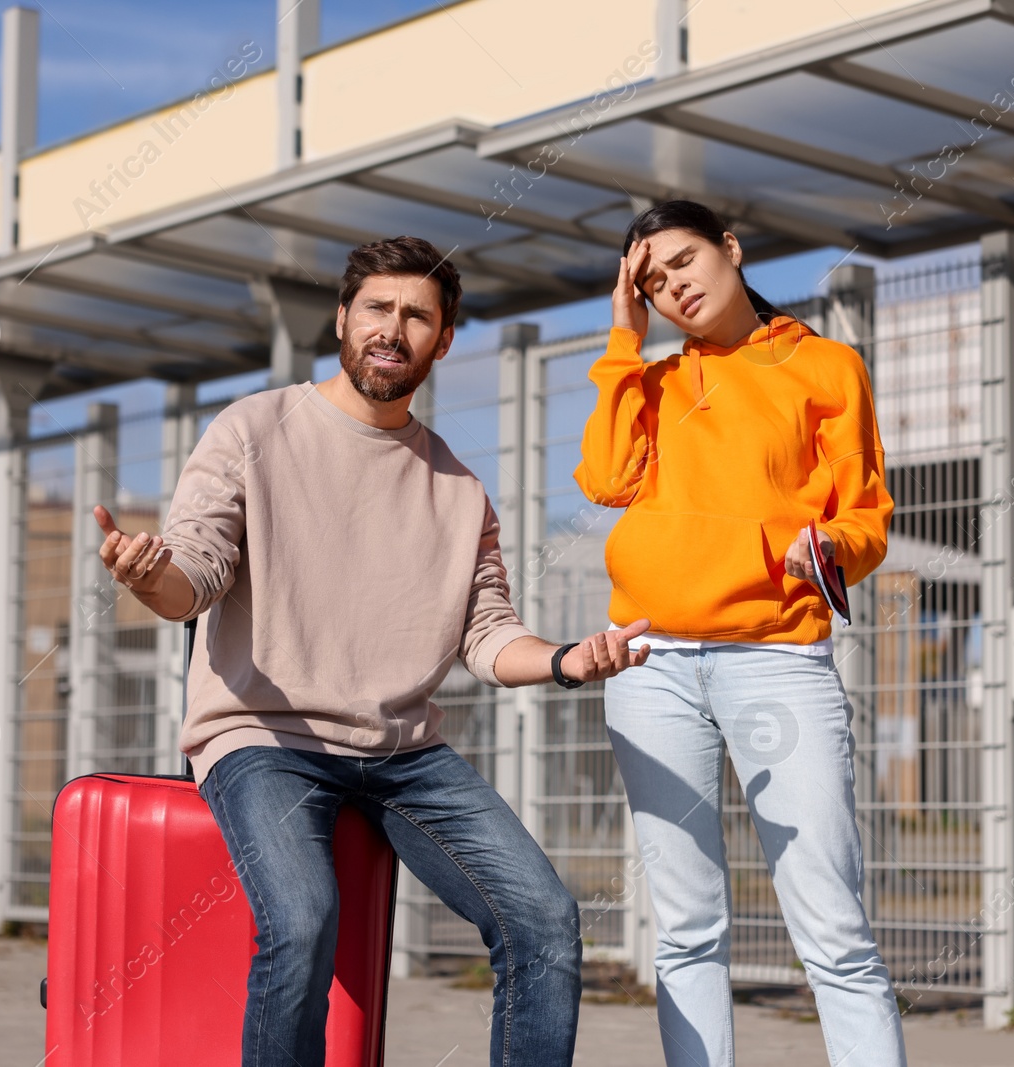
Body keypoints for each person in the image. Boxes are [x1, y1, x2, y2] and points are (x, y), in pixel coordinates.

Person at [94, 235, 652, 1067]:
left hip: (402, 753)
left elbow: (488, 635)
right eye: (378, 309)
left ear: (445, 338)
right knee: (304, 918)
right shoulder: (253, 429)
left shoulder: (459, 489)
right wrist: (149, 579)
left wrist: (571, 658)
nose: (393, 330)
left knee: (544, 919)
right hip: (265, 739)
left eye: (417, 316)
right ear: (344, 319)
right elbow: (195, 577)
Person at [574, 200, 907, 1066]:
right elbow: (606, 479)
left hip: (777, 660)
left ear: (730, 247)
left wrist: (826, 546)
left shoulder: (827, 366)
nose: (671, 286)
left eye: (682, 260)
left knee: (832, 925)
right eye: (650, 281)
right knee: (685, 927)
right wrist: (623, 338)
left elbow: (866, 519)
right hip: (650, 664)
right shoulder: (651, 380)